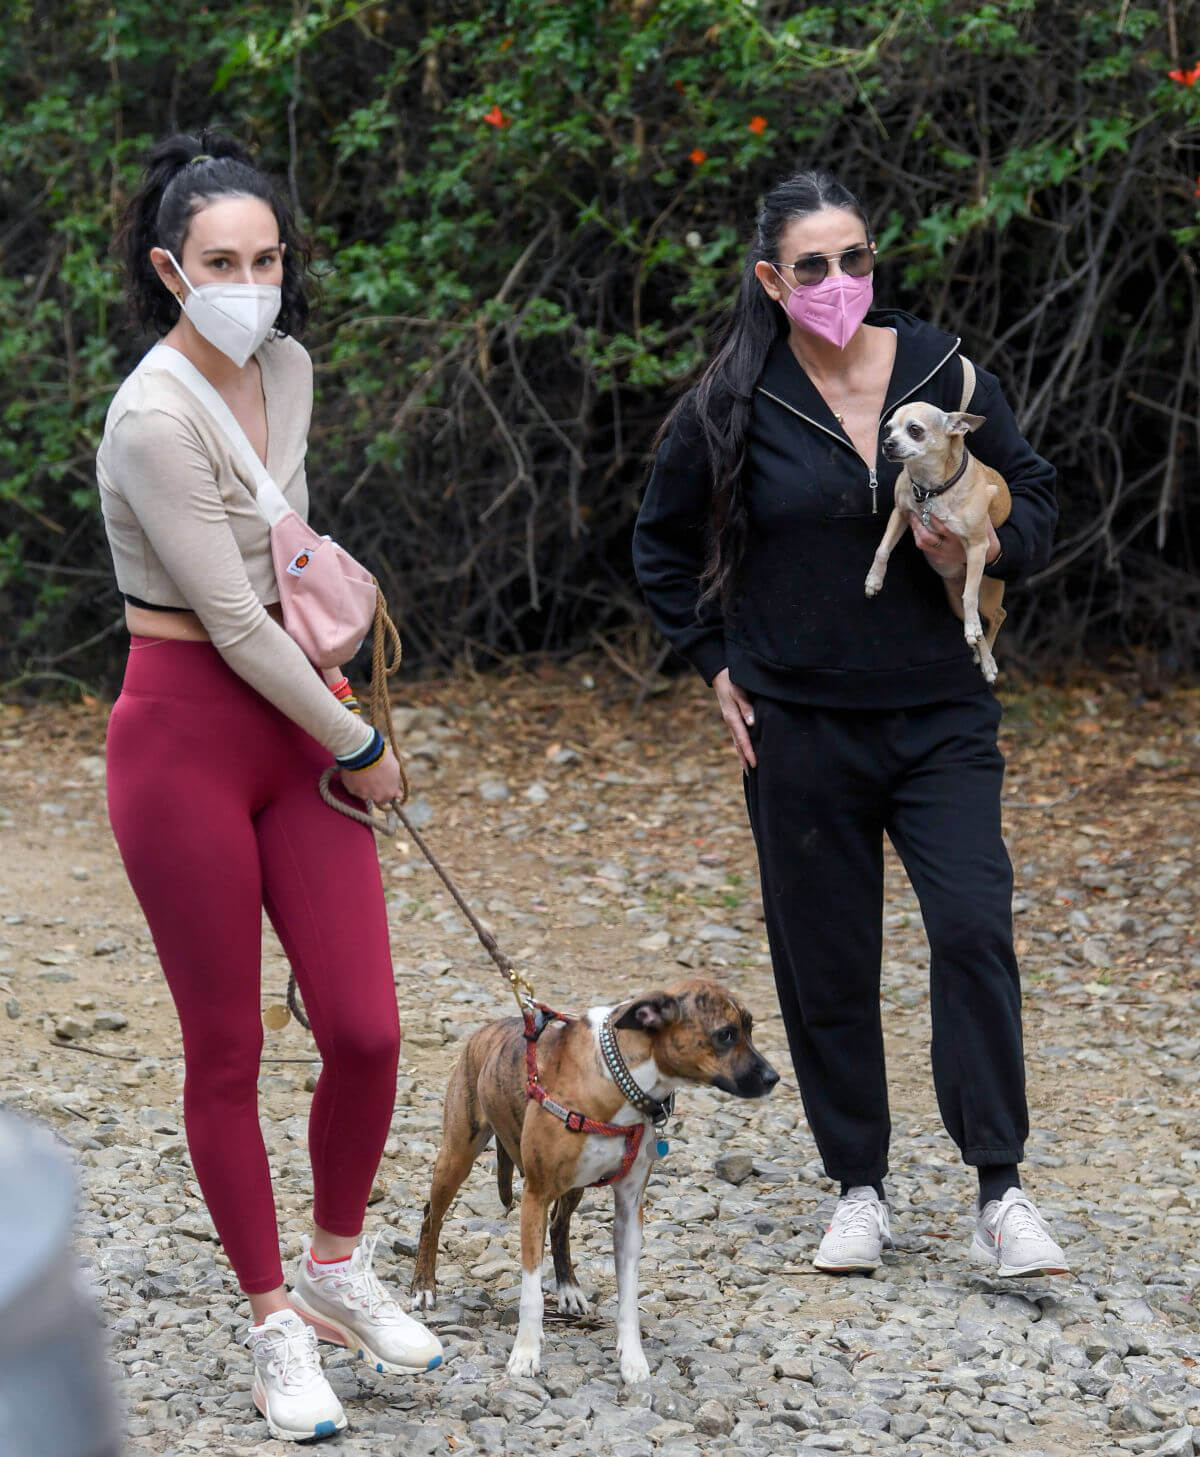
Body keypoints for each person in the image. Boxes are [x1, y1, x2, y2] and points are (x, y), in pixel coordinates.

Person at [633, 170, 1068, 1280]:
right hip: (802, 722)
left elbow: (1043, 498)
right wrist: (714, 663)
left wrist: (988, 547)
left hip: (941, 711)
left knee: (973, 928)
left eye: (857, 260)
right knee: (825, 960)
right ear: (774, 280)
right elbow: (660, 544)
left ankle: (1000, 1190)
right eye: (814, 266)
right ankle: (858, 1187)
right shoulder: (736, 395)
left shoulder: (947, 370)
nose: (840, 283)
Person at [98, 130, 442, 1444]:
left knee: (365, 1026)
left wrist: (336, 708)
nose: (251, 282)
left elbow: (283, 561)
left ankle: (336, 1266)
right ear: (171, 272)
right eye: (221, 263)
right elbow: (234, 622)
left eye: (267, 258)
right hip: (185, 731)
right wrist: (361, 747)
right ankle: (272, 1326)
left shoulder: (286, 368)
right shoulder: (149, 416)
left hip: (297, 721)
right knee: (227, 1048)